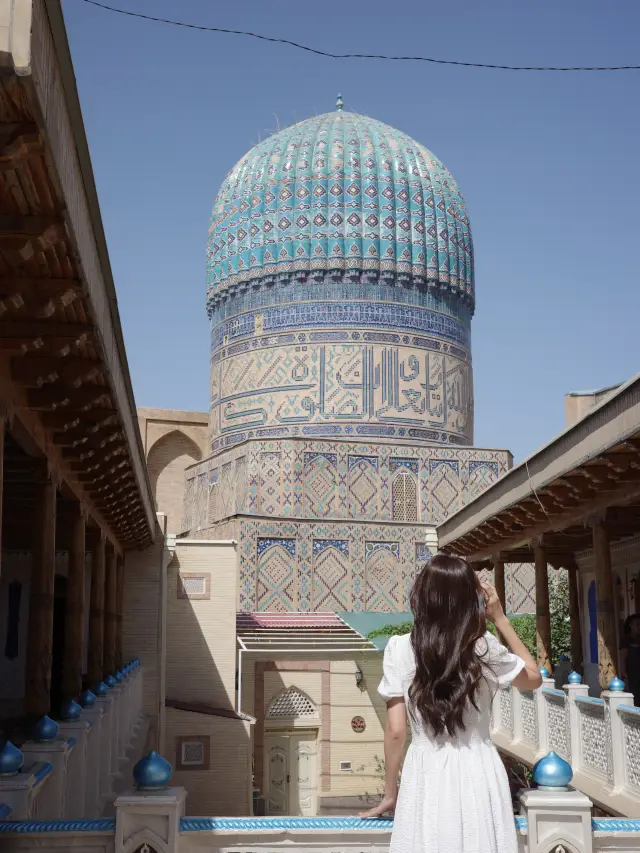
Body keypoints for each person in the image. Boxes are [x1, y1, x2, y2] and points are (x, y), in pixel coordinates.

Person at [360, 554, 542, 853]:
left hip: (425, 772)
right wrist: (500, 618)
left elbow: (395, 730)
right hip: (478, 767)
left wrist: (390, 791)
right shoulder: (484, 648)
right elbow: (534, 678)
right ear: (471, 600)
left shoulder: (399, 648)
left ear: (422, 595)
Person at [620, 613, 640, 706]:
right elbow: (623, 658)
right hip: (631, 675)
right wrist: (625, 676)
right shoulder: (626, 639)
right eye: (637, 624)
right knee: (634, 698)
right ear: (631, 625)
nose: (639, 627)